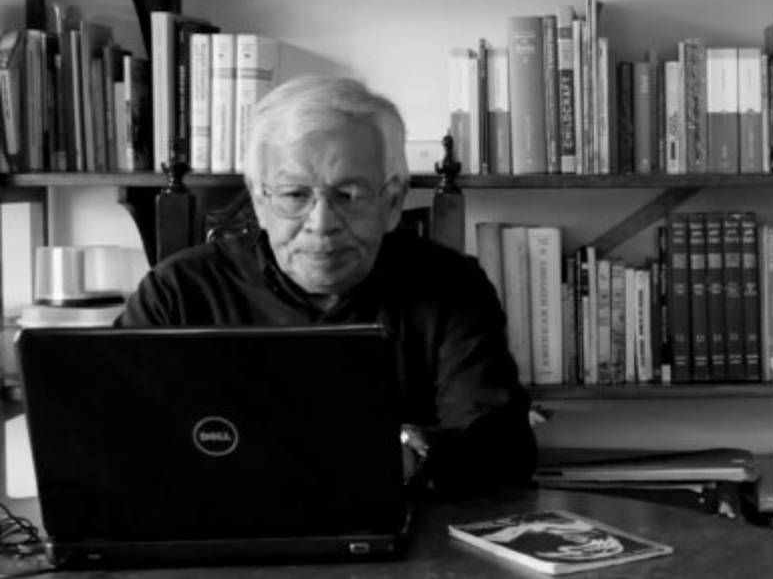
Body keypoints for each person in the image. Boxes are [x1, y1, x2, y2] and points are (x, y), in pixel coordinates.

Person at [117, 75, 536, 497]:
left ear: (392, 202)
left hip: (404, 528)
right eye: (294, 195)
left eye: (348, 195)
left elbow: (502, 454)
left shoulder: (452, 286)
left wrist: (412, 454)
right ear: (259, 201)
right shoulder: (178, 292)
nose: (321, 224)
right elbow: (111, 440)